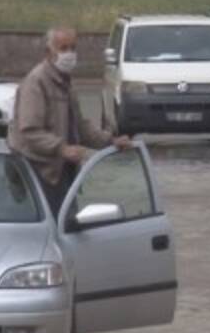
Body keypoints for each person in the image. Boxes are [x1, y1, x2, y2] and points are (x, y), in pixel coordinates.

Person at [8, 27, 131, 212]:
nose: (69, 54)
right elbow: (30, 131)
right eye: (63, 48)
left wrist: (110, 141)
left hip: (63, 173)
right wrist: (62, 148)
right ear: (49, 52)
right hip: (40, 175)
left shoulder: (65, 83)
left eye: (73, 48)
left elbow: (79, 127)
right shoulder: (36, 82)